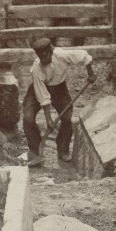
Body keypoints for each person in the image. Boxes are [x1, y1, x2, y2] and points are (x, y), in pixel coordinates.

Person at [22, 37, 96, 165]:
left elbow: (85, 56)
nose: (44, 59)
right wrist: (48, 119)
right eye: (41, 57)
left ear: (51, 52)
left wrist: (91, 73)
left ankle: (63, 150)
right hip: (37, 90)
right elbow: (43, 97)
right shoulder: (36, 70)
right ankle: (35, 152)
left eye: (47, 56)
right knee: (28, 118)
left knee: (67, 118)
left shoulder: (61, 55)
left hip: (59, 88)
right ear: (38, 56)